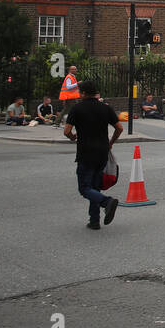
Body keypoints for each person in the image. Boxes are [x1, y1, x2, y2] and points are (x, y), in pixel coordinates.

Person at [64, 80, 122, 231]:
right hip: (102, 152)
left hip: (86, 152)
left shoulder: (77, 108)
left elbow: (66, 131)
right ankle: (94, 220)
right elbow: (119, 128)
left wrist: (72, 137)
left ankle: (106, 202)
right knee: (95, 187)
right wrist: (111, 142)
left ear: (83, 93)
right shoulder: (105, 108)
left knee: (84, 188)